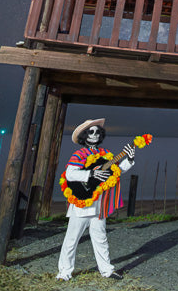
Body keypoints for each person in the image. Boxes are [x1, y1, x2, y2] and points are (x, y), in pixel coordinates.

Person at [56, 118, 136, 281]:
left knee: (101, 238)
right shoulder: (79, 154)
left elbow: (116, 171)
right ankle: (64, 272)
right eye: (91, 132)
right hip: (82, 204)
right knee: (72, 239)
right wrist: (91, 173)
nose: (95, 134)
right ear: (84, 136)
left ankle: (107, 270)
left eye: (97, 132)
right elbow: (70, 173)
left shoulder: (105, 154)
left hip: (100, 204)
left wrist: (129, 159)